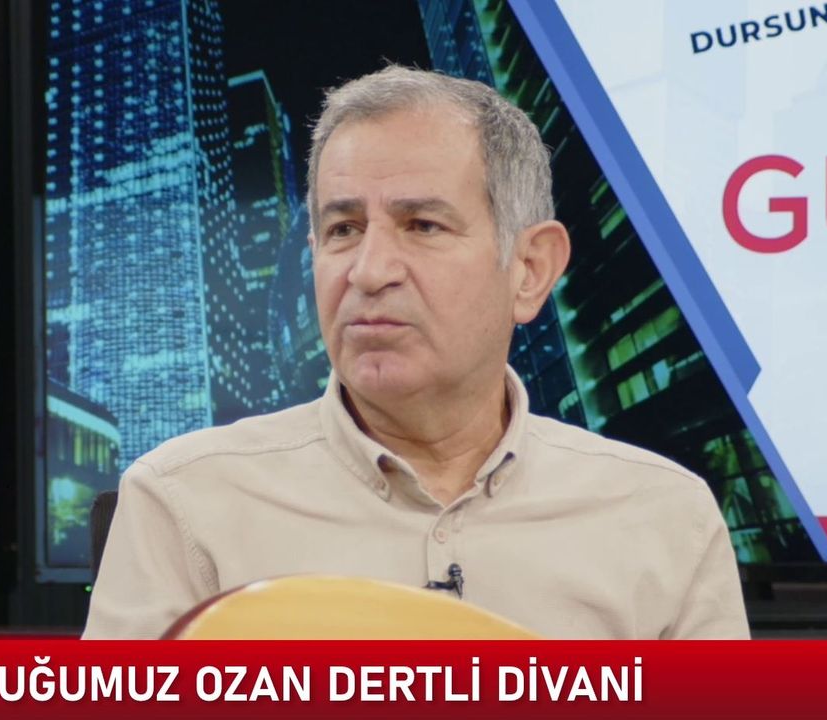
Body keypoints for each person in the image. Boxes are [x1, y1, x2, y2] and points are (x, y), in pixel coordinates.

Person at [83, 65, 749, 640]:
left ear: (529, 270)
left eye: (423, 225)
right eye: (343, 229)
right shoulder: (182, 503)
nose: (369, 270)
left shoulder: (668, 517)